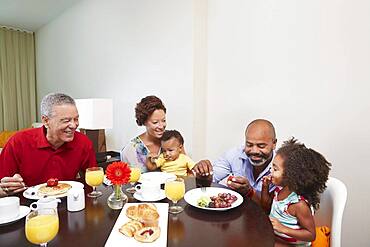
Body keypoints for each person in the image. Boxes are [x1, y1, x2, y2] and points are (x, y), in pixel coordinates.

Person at [0, 93, 96, 197]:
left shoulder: (83, 142)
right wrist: (5, 189)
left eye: (76, 119)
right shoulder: (18, 142)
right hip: (28, 205)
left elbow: (91, 182)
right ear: (46, 121)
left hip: (68, 204)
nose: (73, 125)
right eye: (66, 120)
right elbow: (2, 187)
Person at [261, 138, 331, 245]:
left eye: (275, 169)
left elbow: (311, 235)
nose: (271, 171)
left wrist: (282, 228)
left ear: (290, 176)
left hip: (293, 244)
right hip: (277, 237)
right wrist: (265, 187)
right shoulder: (280, 188)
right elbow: (266, 205)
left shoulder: (299, 204)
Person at [192, 119, 277, 200]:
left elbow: (275, 208)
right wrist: (203, 173)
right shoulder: (234, 155)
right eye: (249, 145)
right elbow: (212, 179)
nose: (254, 151)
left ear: (274, 144)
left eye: (261, 146)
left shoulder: (283, 166)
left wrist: (250, 192)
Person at [121, 95, 167, 173]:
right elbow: (128, 182)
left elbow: (185, 167)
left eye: (163, 120)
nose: (161, 126)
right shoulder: (131, 150)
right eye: (155, 122)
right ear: (144, 122)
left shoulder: (172, 140)